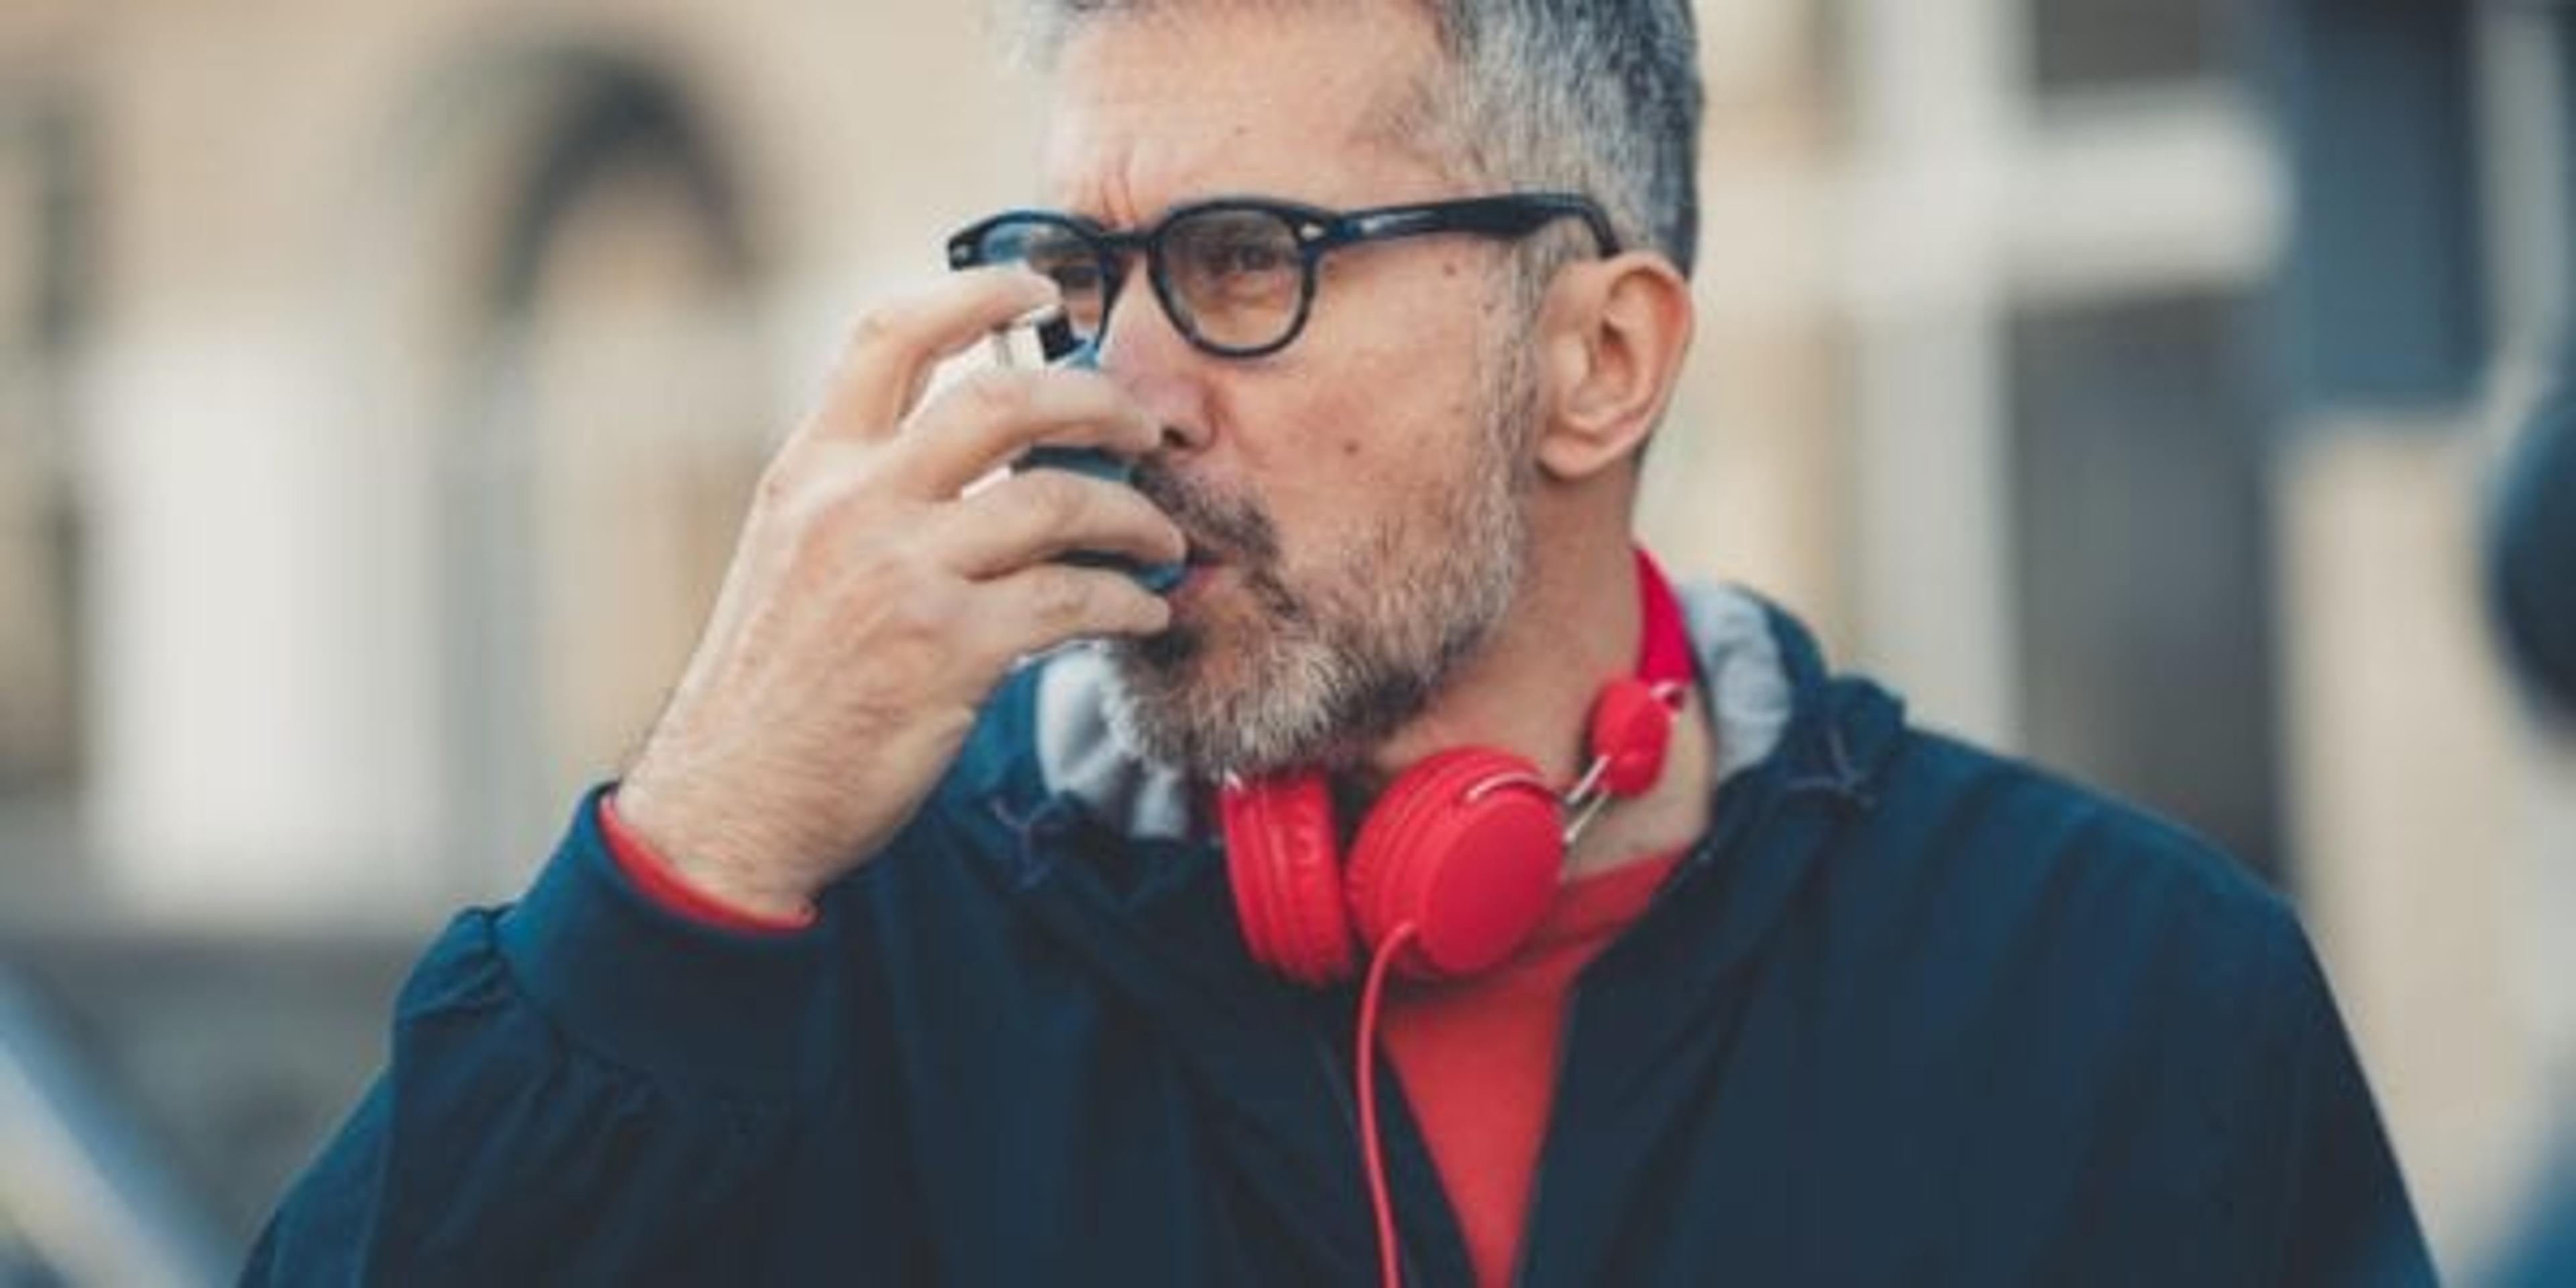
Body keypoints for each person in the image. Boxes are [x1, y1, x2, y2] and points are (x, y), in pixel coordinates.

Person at [248, 1, 2433, 1283]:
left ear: (1596, 358)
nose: (1126, 386)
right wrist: (697, 839)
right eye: (1078, 272)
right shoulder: (835, 985)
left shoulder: (2134, 1005)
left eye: (1245, 260)